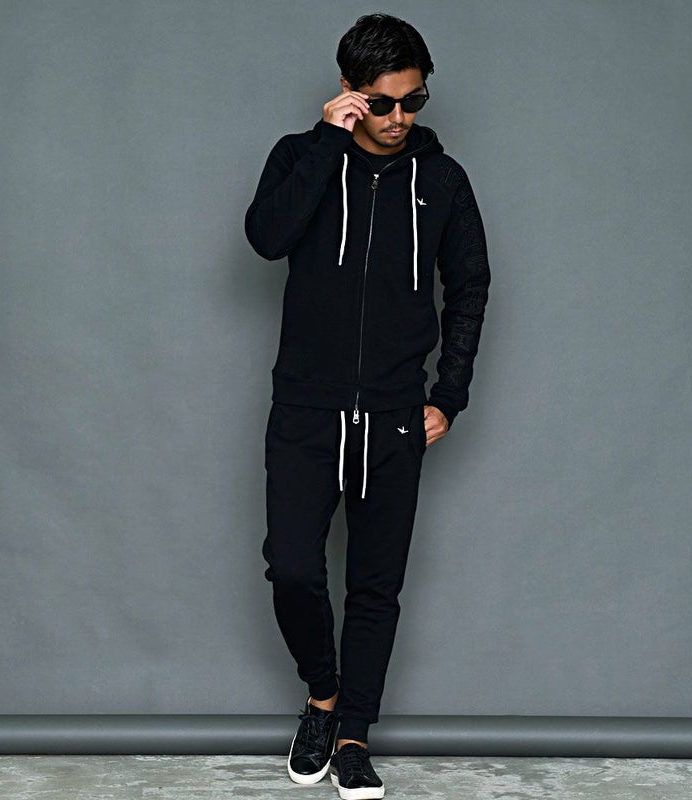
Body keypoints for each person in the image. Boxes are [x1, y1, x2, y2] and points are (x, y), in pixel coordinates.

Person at [244, 13, 490, 799]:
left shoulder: (442, 182)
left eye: (413, 101)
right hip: (307, 408)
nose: (399, 118)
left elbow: (470, 286)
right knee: (291, 567)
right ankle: (322, 697)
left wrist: (448, 395)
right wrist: (327, 142)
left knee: (375, 588)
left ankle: (354, 735)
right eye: (382, 103)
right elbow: (267, 236)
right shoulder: (301, 157)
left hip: (394, 414)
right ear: (350, 92)